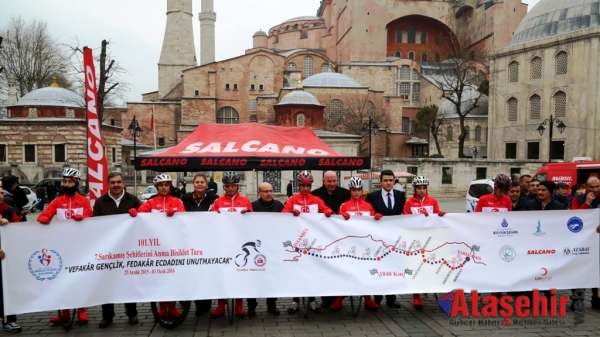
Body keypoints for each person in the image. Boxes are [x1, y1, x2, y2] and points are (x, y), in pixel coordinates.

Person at [37, 168, 93, 325]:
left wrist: (83, 218)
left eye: (70, 182)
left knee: (79, 278)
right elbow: (46, 214)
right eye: (65, 181)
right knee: (60, 280)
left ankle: (81, 309)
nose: (67, 184)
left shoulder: (84, 201)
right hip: (61, 246)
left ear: (76, 183)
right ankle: (64, 312)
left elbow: (91, 219)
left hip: (80, 246)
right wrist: (43, 218)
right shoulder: (57, 201)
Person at [131, 173, 185, 320]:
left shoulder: (178, 201)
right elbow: (140, 217)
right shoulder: (150, 202)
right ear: (156, 187)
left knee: (173, 277)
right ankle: (162, 306)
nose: (164, 187)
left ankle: (172, 306)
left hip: (173, 247)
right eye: (161, 185)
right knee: (159, 278)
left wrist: (176, 215)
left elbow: (185, 222)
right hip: (156, 248)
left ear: (170, 186)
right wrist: (134, 213)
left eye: (166, 184)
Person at [93, 172, 141, 328]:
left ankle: (132, 314)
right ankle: (107, 316)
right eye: (113, 182)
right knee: (106, 283)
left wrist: (138, 214)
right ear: (108, 184)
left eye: (119, 182)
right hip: (108, 250)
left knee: (128, 282)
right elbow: (94, 225)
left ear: (123, 184)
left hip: (129, 249)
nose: (116, 185)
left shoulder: (133, 200)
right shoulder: (100, 202)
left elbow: (144, 218)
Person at [282, 170, 333, 314]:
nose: (305, 189)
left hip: (313, 242)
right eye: (302, 186)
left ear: (311, 186)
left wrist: (328, 212)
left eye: (308, 186)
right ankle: (295, 301)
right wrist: (290, 213)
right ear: (299, 186)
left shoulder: (316, 200)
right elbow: (283, 214)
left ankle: (311, 300)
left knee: (312, 271)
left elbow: (326, 209)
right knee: (296, 271)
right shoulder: (292, 199)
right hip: (297, 241)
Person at [329, 176, 381, 312]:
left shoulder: (368, 206)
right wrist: (341, 217)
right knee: (346, 271)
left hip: (364, 245)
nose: (356, 192)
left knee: (364, 271)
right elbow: (337, 225)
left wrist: (376, 217)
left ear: (362, 190)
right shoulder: (344, 205)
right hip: (349, 245)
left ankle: (368, 299)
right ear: (350, 190)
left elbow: (374, 225)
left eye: (358, 189)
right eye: (353, 190)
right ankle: (339, 299)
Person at [209, 172, 253, 318]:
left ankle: (239, 304)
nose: (230, 188)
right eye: (227, 186)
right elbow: (211, 221)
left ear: (237, 186)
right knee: (221, 274)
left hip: (240, 244)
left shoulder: (245, 201)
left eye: (233, 185)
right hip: (223, 243)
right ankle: (221, 304)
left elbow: (254, 222)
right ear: (224, 186)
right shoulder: (218, 202)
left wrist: (249, 216)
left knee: (240, 274)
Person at [401, 176, 444, 310]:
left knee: (429, 267)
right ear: (415, 189)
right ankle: (416, 295)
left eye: (424, 188)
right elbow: (404, 220)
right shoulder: (409, 202)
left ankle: (431, 287)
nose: (421, 190)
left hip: (430, 241)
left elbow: (438, 218)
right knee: (415, 267)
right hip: (414, 241)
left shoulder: (433, 201)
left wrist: (441, 216)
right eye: (419, 188)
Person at [366, 169, 406, 308]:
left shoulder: (401, 195)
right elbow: (368, 216)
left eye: (391, 180)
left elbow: (404, 214)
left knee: (393, 268)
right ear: (380, 182)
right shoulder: (372, 197)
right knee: (379, 268)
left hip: (395, 238)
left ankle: (391, 298)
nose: (388, 183)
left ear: (394, 180)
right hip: (379, 239)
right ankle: (377, 297)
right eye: (385, 180)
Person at [181, 173, 218, 316]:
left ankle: (205, 304)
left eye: (202, 182)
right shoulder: (185, 198)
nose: (200, 184)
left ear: (206, 185)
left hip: (208, 241)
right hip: (190, 241)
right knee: (191, 272)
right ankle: (192, 301)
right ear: (193, 183)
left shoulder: (214, 198)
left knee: (205, 272)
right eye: (197, 182)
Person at [247, 182, 283, 317]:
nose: (268, 193)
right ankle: (251, 305)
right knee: (254, 276)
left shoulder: (279, 205)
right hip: (257, 247)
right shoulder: (253, 206)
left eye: (270, 190)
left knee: (271, 277)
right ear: (259, 193)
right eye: (265, 191)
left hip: (273, 246)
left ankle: (272, 304)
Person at [570, 176, 600, 309]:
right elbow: (575, 218)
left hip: (598, 240)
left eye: (597, 187)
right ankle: (578, 299)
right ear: (586, 187)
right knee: (579, 270)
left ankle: (597, 299)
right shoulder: (578, 199)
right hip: (582, 241)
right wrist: (587, 203)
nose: (595, 189)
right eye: (591, 187)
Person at [0, 185, 22, 333]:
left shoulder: (9, 209)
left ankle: (10, 320)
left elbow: (19, 230)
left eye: (1, 192)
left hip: (7, 257)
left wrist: (11, 225)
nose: (1, 194)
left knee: (8, 288)